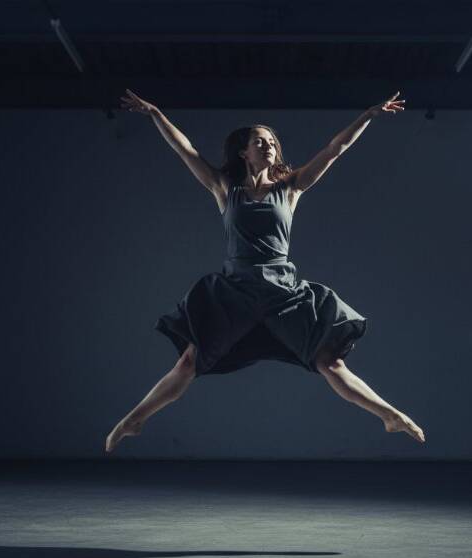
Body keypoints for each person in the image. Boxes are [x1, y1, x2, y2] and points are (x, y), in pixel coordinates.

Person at [105, 88, 425, 453]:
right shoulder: (225, 188)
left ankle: (388, 415)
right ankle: (134, 419)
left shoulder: (291, 188)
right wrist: (155, 113)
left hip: (281, 290)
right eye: (260, 141)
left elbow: (335, 149)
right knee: (189, 361)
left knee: (329, 363)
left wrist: (368, 115)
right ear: (244, 151)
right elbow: (185, 150)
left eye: (272, 141)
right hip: (235, 290)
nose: (269, 145)